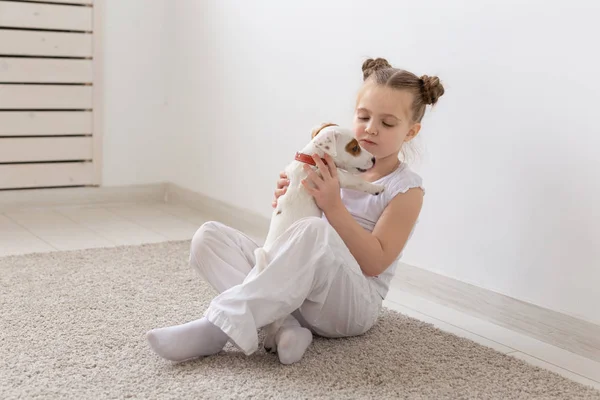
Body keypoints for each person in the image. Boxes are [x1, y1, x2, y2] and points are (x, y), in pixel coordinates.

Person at [146, 57, 445, 365]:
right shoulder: (331, 163)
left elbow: (375, 263)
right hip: (297, 294)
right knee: (208, 238)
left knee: (315, 231)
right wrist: (292, 198)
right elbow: (294, 234)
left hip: (349, 305)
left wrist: (333, 206)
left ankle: (218, 327)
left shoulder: (406, 190)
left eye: (387, 123)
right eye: (364, 116)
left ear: (410, 131)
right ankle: (285, 328)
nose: (371, 129)